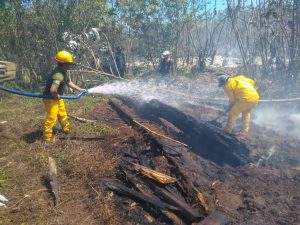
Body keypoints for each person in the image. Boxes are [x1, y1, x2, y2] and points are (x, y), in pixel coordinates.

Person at [43, 50, 85, 145]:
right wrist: (56, 96)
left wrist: (79, 89)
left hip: (57, 98)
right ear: (63, 63)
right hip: (50, 99)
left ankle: (66, 130)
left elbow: (68, 82)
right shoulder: (58, 75)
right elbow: (53, 90)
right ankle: (47, 139)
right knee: (52, 117)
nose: (70, 65)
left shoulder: (64, 71)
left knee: (62, 114)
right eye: (69, 64)